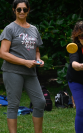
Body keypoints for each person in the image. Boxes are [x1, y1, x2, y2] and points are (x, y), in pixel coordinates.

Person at [0, 0, 46, 133]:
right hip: (12, 71)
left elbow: (36, 50)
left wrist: (38, 59)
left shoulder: (34, 29)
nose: (22, 12)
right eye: (19, 9)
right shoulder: (10, 28)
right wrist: (24, 62)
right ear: (14, 10)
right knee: (13, 104)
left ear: (28, 10)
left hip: (30, 72)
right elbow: (3, 53)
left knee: (40, 102)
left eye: (24, 9)